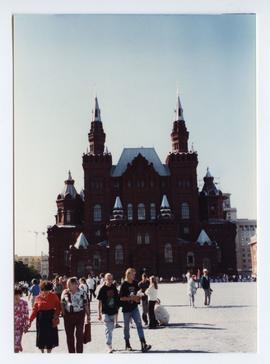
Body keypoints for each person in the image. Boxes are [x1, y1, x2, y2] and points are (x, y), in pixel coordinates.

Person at [119, 268, 151, 352]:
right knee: (126, 328)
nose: (134, 276)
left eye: (134, 274)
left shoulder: (135, 283)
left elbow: (138, 292)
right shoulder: (124, 285)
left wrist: (140, 295)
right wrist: (131, 298)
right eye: (133, 274)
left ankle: (143, 344)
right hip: (126, 310)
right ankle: (127, 344)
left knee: (139, 325)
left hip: (134, 308)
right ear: (128, 274)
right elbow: (121, 298)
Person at [28, 280, 61, 353]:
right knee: (41, 337)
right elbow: (34, 310)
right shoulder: (38, 297)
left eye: (47, 290)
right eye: (44, 290)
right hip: (41, 320)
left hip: (51, 318)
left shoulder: (54, 296)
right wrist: (30, 320)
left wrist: (56, 316)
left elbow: (58, 307)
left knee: (50, 337)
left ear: (50, 289)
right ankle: (42, 352)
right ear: (41, 289)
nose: (46, 292)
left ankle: (49, 352)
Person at [61, 277, 90, 353]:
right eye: (67, 285)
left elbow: (86, 304)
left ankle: (79, 353)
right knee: (69, 336)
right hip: (68, 316)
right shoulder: (65, 292)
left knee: (79, 335)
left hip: (79, 315)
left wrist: (88, 315)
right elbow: (62, 304)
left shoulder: (82, 292)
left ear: (75, 285)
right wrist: (64, 315)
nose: (68, 286)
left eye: (69, 285)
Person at [97, 273, 120, 353]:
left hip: (113, 311)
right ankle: (109, 346)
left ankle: (109, 343)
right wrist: (99, 313)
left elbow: (117, 299)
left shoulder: (114, 287)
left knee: (111, 329)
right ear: (105, 279)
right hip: (105, 312)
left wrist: (117, 309)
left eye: (111, 279)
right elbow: (99, 302)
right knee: (108, 328)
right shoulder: (102, 289)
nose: (110, 281)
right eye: (108, 279)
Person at [14, 287, 29, 353]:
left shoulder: (24, 303)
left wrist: (26, 326)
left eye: (18, 294)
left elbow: (26, 315)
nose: (16, 296)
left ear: (20, 294)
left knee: (16, 346)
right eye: (15, 294)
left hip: (19, 327)